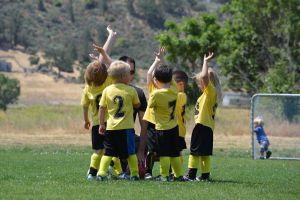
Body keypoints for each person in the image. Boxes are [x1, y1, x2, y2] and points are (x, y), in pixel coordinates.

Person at [81, 25, 120, 181]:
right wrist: (111, 37)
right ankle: (116, 172)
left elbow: (84, 106)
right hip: (109, 123)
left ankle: (92, 172)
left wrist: (86, 121)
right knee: (112, 149)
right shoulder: (108, 82)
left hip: (97, 124)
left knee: (98, 150)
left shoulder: (88, 88)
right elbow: (109, 64)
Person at [96, 60, 141, 181]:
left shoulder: (107, 90)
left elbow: (101, 108)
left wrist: (101, 124)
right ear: (125, 76)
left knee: (109, 153)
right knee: (130, 152)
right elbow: (137, 105)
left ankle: (101, 173)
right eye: (129, 74)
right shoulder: (131, 90)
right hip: (126, 128)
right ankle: (134, 174)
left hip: (111, 128)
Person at [143, 47, 183, 181]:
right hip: (174, 126)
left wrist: (157, 61)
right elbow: (168, 77)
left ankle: (164, 176)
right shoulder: (174, 89)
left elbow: (150, 106)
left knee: (164, 154)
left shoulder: (155, 94)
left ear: (156, 80)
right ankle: (178, 175)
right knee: (175, 153)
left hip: (161, 128)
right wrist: (161, 60)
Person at [184, 52, 222, 181]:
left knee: (194, 152)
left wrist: (205, 61)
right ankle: (205, 176)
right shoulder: (210, 94)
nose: (200, 84)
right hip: (207, 127)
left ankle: (190, 175)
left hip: (202, 126)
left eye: (200, 82)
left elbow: (205, 76)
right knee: (204, 153)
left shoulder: (210, 91)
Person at [169, 70, 188, 179]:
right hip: (177, 129)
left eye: (172, 84)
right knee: (175, 152)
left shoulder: (181, 95)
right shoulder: (180, 95)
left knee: (177, 153)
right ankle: (174, 172)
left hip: (178, 130)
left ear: (180, 85)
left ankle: (177, 173)